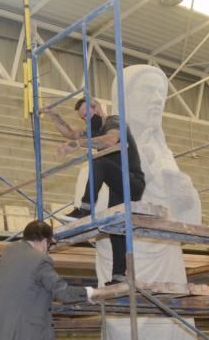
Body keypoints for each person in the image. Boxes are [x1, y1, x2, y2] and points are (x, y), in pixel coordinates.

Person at [44, 97, 146, 282]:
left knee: (99, 161)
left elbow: (110, 140)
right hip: (118, 188)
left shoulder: (113, 121)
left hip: (133, 182)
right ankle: (119, 275)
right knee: (116, 229)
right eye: (83, 118)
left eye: (88, 114)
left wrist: (77, 145)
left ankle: (85, 208)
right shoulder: (95, 130)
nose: (86, 120)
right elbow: (71, 133)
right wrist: (54, 116)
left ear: (97, 108)